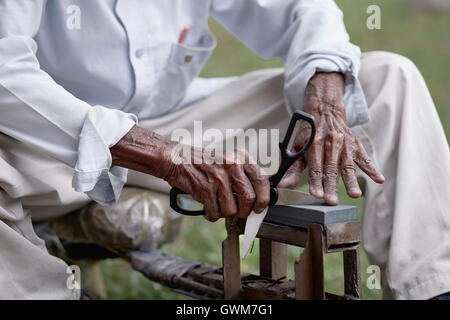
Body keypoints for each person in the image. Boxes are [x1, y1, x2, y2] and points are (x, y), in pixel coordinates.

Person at [0, 0, 449, 300]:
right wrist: (158, 154)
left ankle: (432, 288)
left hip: (179, 124)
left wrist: (325, 89)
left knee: (389, 78)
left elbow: (300, 8)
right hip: (44, 141)